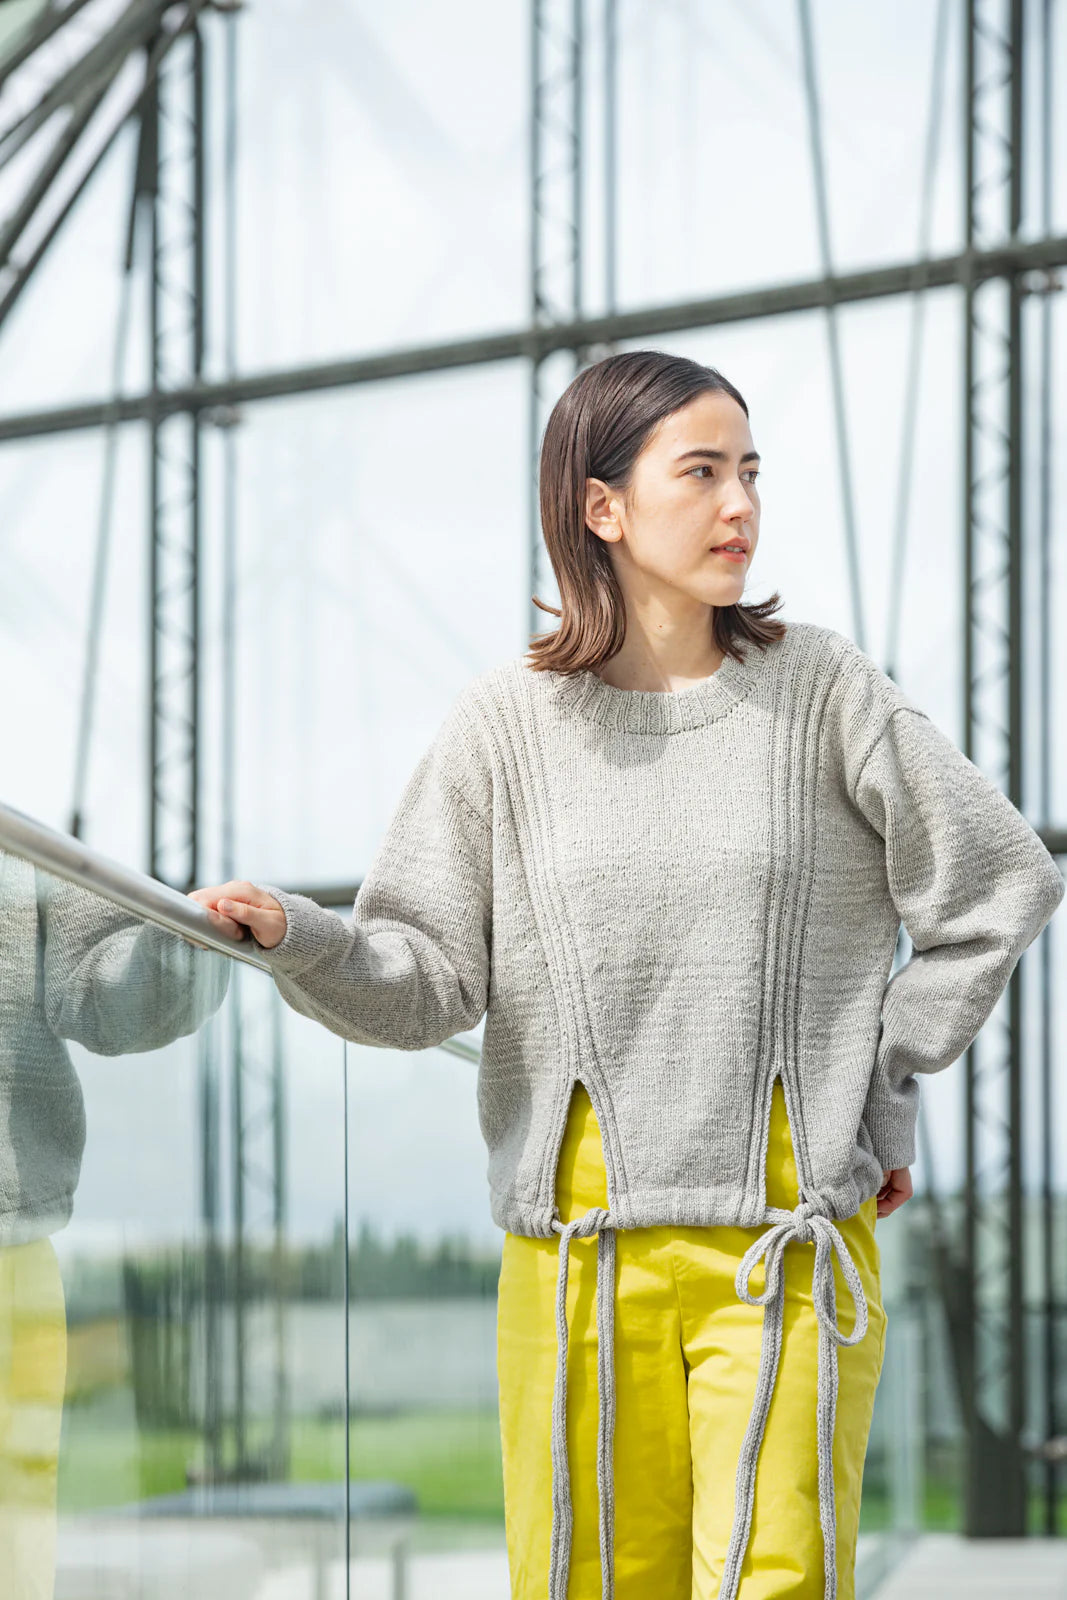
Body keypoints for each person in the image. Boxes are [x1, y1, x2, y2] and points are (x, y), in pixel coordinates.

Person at [192, 350, 1065, 1600]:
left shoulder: (821, 690)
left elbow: (999, 884)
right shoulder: (505, 727)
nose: (740, 507)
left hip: (785, 1246)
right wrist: (303, 938)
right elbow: (429, 974)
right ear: (600, 507)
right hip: (571, 1263)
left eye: (749, 473)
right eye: (700, 472)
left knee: (773, 1580)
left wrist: (876, 1083)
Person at [0, 853, 231, 1600]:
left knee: (13, 1539)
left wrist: (191, 940)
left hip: (10, 1252)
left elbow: (106, 987)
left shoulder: (14, 850)